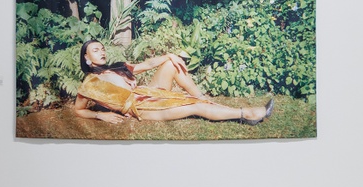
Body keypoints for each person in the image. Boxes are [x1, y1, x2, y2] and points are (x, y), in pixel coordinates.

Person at [72, 39, 273, 125]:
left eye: (102, 48)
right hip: (142, 107)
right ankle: (246, 114)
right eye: (96, 50)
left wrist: (170, 55)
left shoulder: (117, 66)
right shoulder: (90, 83)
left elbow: (148, 63)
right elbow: (78, 110)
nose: (102, 52)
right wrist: (100, 116)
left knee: (170, 64)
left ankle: (202, 96)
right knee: (194, 106)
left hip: (149, 93)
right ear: (87, 58)